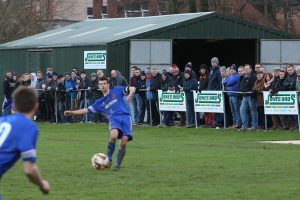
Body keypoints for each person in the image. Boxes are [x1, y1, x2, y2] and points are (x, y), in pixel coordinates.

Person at [64, 76, 136, 170]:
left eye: (104, 84)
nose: (102, 86)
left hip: (126, 117)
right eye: (101, 84)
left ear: (108, 84)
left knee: (123, 143)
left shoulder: (117, 90)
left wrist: (130, 93)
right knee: (113, 136)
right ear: (99, 86)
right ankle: (109, 159)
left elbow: (132, 87)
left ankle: (117, 165)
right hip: (114, 118)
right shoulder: (99, 103)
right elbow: (86, 110)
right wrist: (72, 112)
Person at [0, 87, 50, 199]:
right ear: (36, 107)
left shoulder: (2, 121)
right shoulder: (28, 127)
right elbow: (29, 170)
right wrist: (42, 184)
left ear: (13, 106)